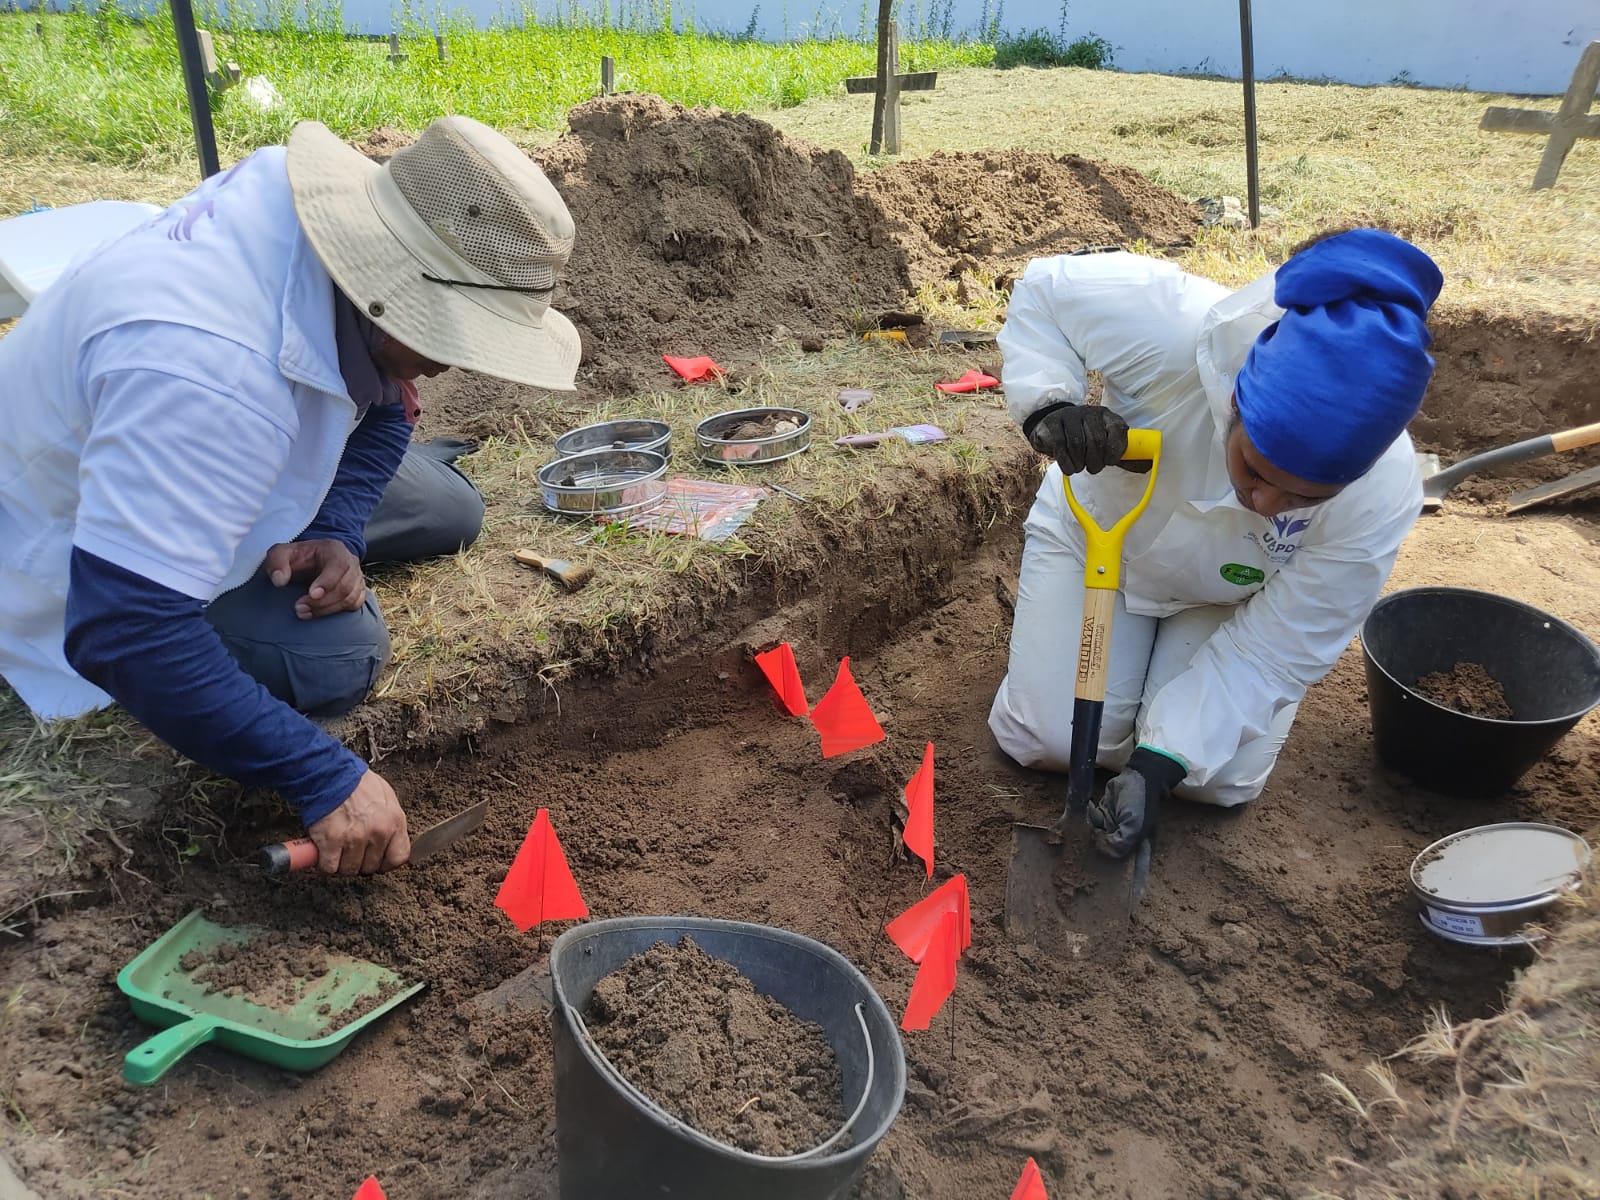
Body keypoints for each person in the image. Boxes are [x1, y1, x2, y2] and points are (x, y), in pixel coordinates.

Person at [0, 115, 581, 874]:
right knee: (343, 653)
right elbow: (126, 629)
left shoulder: (312, 228)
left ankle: (307, 516)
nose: (453, 364)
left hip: (220, 449)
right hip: (77, 561)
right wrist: (324, 776)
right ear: (393, 288)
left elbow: (387, 401)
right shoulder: (208, 375)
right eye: (454, 335)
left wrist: (338, 527)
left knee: (452, 511)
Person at [988, 228, 1442, 859]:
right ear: (1237, 400)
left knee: (1214, 780)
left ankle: (1150, 725)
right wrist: (1049, 404)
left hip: (1228, 596)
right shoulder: (1169, 327)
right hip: (1100, 544)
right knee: (1048, 743)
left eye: (1304, 501)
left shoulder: (1383, 491)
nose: (1265, 505)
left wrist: (1157, 765)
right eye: (1254, 471)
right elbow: (1042, 290)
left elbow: (1279, 649)